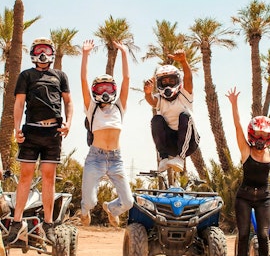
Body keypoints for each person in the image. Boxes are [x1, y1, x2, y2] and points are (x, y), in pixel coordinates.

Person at [6, 37, 73, 245]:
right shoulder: (26, 75)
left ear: (51, 53)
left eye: (46, 50)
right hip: (31, 131)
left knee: (48, 177)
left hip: (53, 132)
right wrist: (17, 128)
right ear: (33, 53)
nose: (43, 54)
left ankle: (48, 223)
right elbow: (19, 103)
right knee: (25, 175)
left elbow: (68, 102)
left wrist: (68, 123)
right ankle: (16, 222)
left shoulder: (60, 76)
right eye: (39, 50)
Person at [80, 39, 133, 227]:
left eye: (108, 88)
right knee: (90, 202)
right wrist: (85, 55)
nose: (104, 91)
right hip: (95, 158)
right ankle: (85, 212)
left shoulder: (119, 106)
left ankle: (111, 208)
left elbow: (126, 79)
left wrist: (124, 53)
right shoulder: (92, 108)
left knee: (128, 202)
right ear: (95, 91)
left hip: (116, 159)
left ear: (114, 90)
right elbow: (84, 80)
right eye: (100, 88)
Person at [226, 87, 270, 256]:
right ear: (252, 134)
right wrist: (234, 104)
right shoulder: (245, 150)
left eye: (264, 135)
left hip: (263, 199)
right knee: (243, 234)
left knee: (263, 236)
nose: (260, 139)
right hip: (243, 197)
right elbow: (236, 126)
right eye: (258, 135)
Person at [144, 50, 200, 172]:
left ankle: (180, 158)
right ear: (159, 83)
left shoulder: (185, 95)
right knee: (156, 119)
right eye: (164, 82)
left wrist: (184, 62)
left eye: (171, 81)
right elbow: (152, 101)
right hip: (171, 142)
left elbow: (189, 79)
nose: (168, 84)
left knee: (185, 116)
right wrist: (147, 93)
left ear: (178, 81)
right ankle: (163, 158)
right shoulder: (160, 99)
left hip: (189, 142)